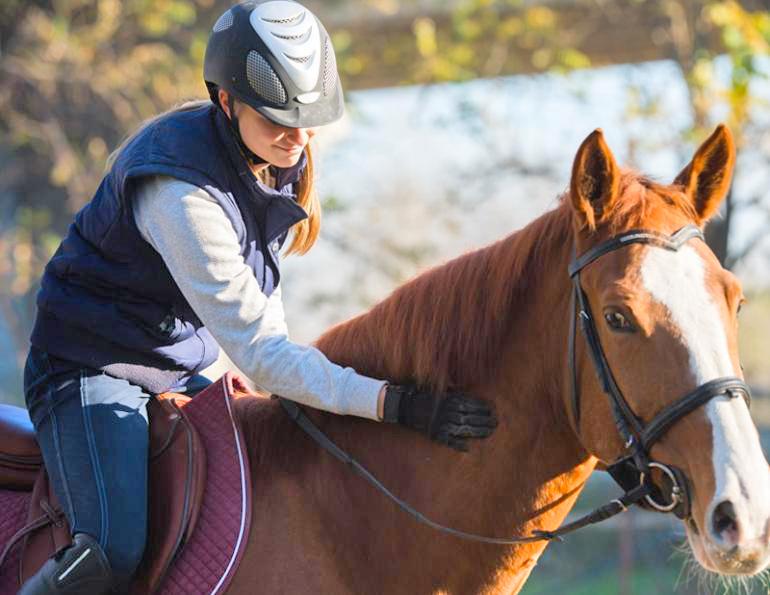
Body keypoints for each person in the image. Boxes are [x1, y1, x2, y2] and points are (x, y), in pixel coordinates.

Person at [19, 1, 498, 593]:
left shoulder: (271, 155)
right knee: (114, 550)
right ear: (227, 102)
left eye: (308, 120)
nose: (298, 139)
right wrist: (395, 405)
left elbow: (262, 308)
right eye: (279, 121)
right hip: (89, 369)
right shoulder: (179, 194)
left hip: (176, 368)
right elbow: (264, 351)